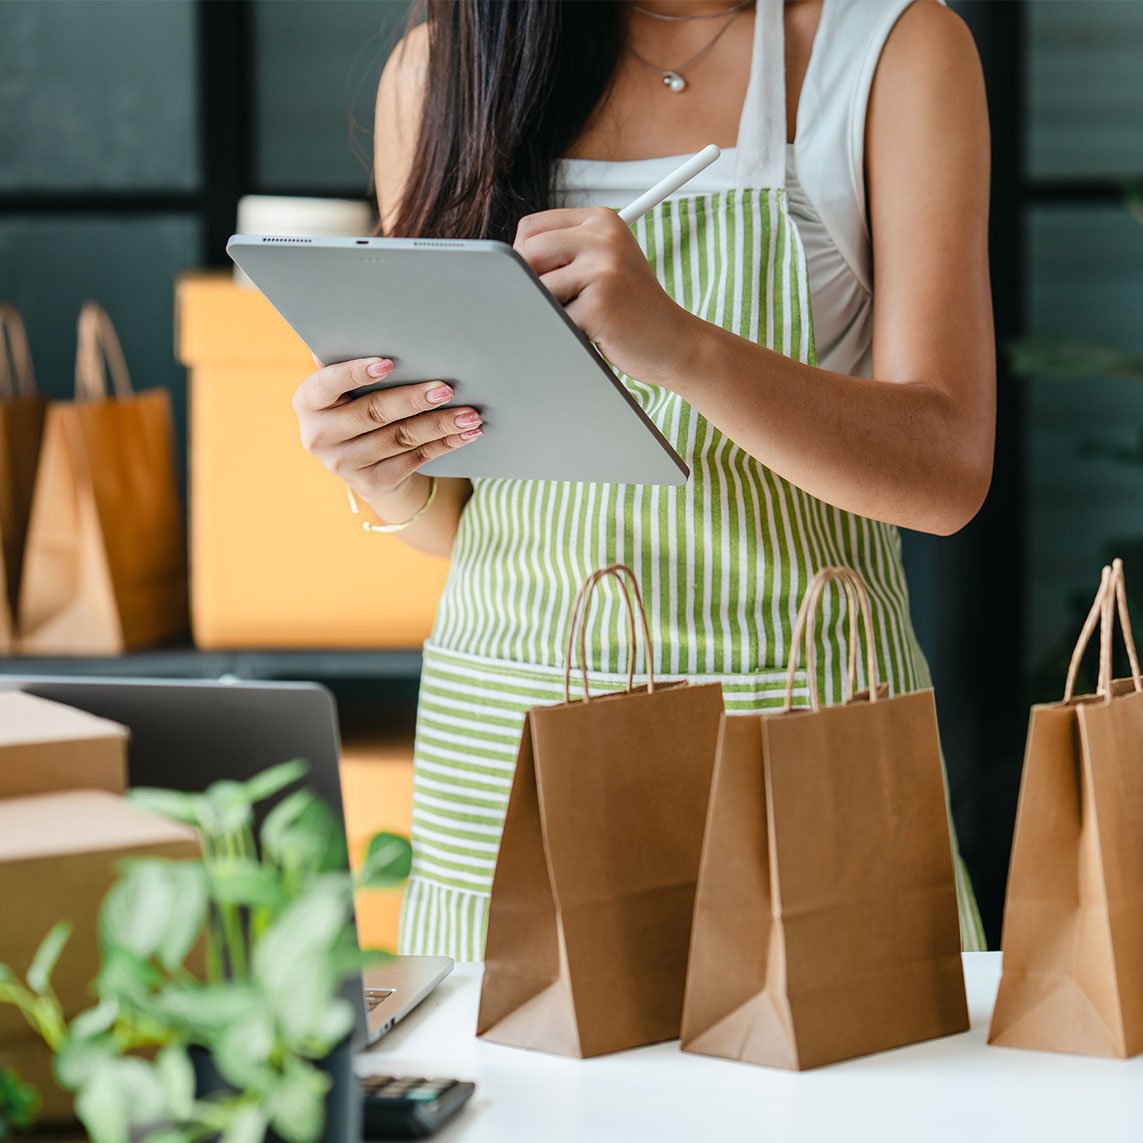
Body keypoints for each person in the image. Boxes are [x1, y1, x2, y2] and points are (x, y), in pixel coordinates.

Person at [293, 0, 994, 958]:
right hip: (510, 734)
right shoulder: (446, 72)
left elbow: (946, 472)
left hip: (797, 714)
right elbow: (459, 515)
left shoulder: (889, 48)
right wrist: (378, 469)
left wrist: (685, 348)